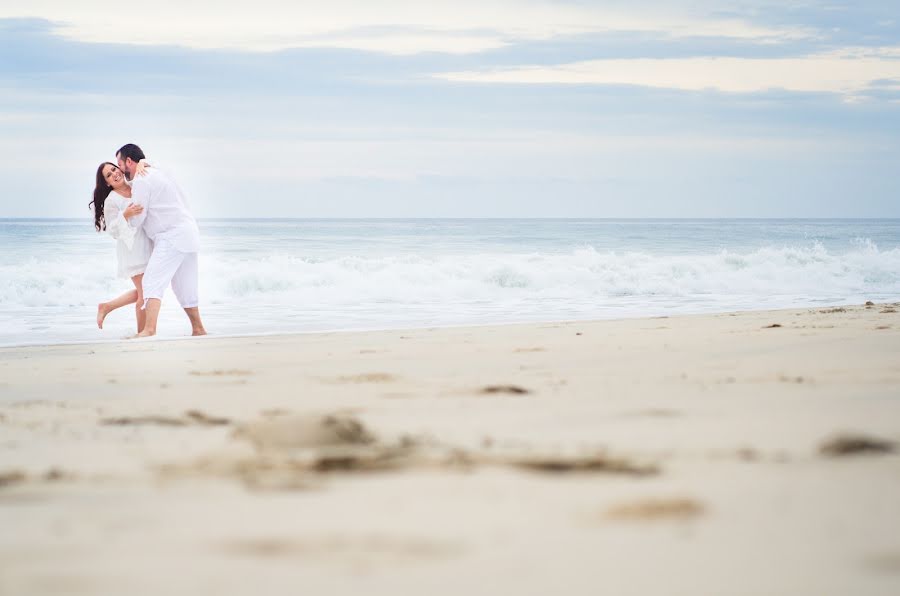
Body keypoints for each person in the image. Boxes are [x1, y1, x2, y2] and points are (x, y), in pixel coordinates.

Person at [116, 143, 207, 338]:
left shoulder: (141, 180)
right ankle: (198, 329)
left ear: (129, 162)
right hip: (189, 233)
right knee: (185, 286)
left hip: (171, 236)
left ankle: (149, 330)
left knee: (151, 281)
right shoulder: (160, 171)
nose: (121, 170)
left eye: (120, 164)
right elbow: (156, 165)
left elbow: (138, 219)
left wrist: (126, 215)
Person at [90, 162, 153, 333]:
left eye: (114, 169)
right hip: (133, 249)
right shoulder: (112, 200)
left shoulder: (136, 184)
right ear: (107, 183)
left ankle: (107, 306)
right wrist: (125, 215)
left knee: (150, 288)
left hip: (149, 244)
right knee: (145, 293)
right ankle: (143, 334)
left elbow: (151, 168)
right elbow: (112, 230)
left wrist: (140, 164)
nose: (114, 174)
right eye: (108, 175)